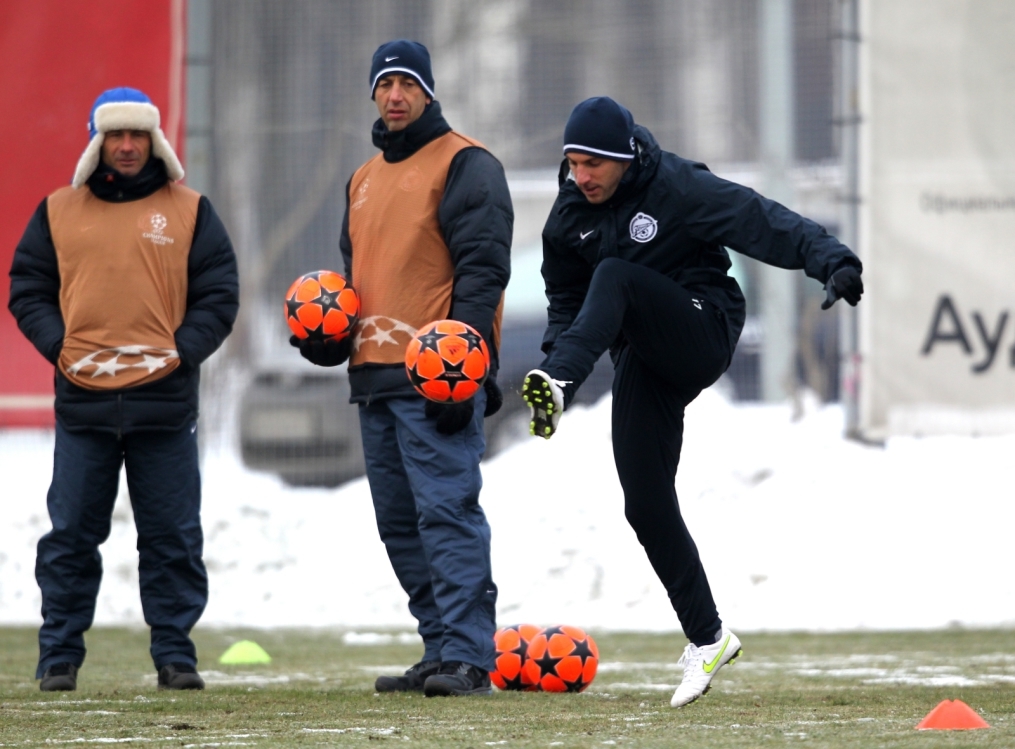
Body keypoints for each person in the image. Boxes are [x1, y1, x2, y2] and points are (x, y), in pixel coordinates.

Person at [522, 97, 863, 707]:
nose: (582, 176)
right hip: (645, 357)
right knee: (644, 503)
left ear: (624, 157)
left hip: (703, 327)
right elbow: (564, 303)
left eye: (594, 164)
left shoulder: (678, 185)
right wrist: (553, 362)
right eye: (572, 163)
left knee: (617, 276)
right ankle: (709, 637)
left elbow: (761, 219)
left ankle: (564, 384)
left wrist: (829, 258)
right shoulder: (568, 212)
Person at [291, 40, 512, 696]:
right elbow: (357, 283)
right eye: (385, 83)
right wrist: (329, 341)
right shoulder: (361, 178)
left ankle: (469, 656)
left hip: (435, 379)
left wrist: (464, 365)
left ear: (427, 92)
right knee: (400, 522)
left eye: (407, 83)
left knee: (446, 513)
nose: (395, 94)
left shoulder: (465, 164)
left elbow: (482, 270)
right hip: (374, 378)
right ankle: (438, 647)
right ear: (372, 93)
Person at [8, 87, 239, 692]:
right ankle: (58, 656)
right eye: (116, 136)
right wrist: (59, 346)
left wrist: (184, 350)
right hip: (83, 407)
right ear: (97, 142)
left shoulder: (190, 210)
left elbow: (219, 292)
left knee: (173, 540)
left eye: (138, 135)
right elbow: (27, 285)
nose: (128, 146)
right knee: (71, 539)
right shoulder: (58, 210)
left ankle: (175, 656)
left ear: (155, 141)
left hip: (164, 407)